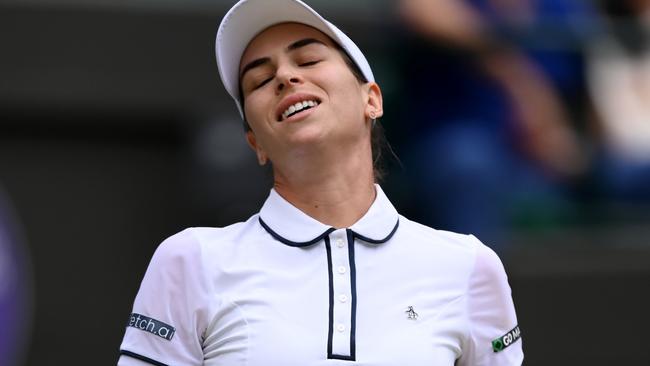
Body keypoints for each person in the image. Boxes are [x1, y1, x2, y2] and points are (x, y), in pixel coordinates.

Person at [117, 0, 523, 365]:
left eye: (308, 60)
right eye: (259, 81)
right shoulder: (189, 260)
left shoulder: (469, 265)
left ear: (372, 100)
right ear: (255, 142)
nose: (285, 77)